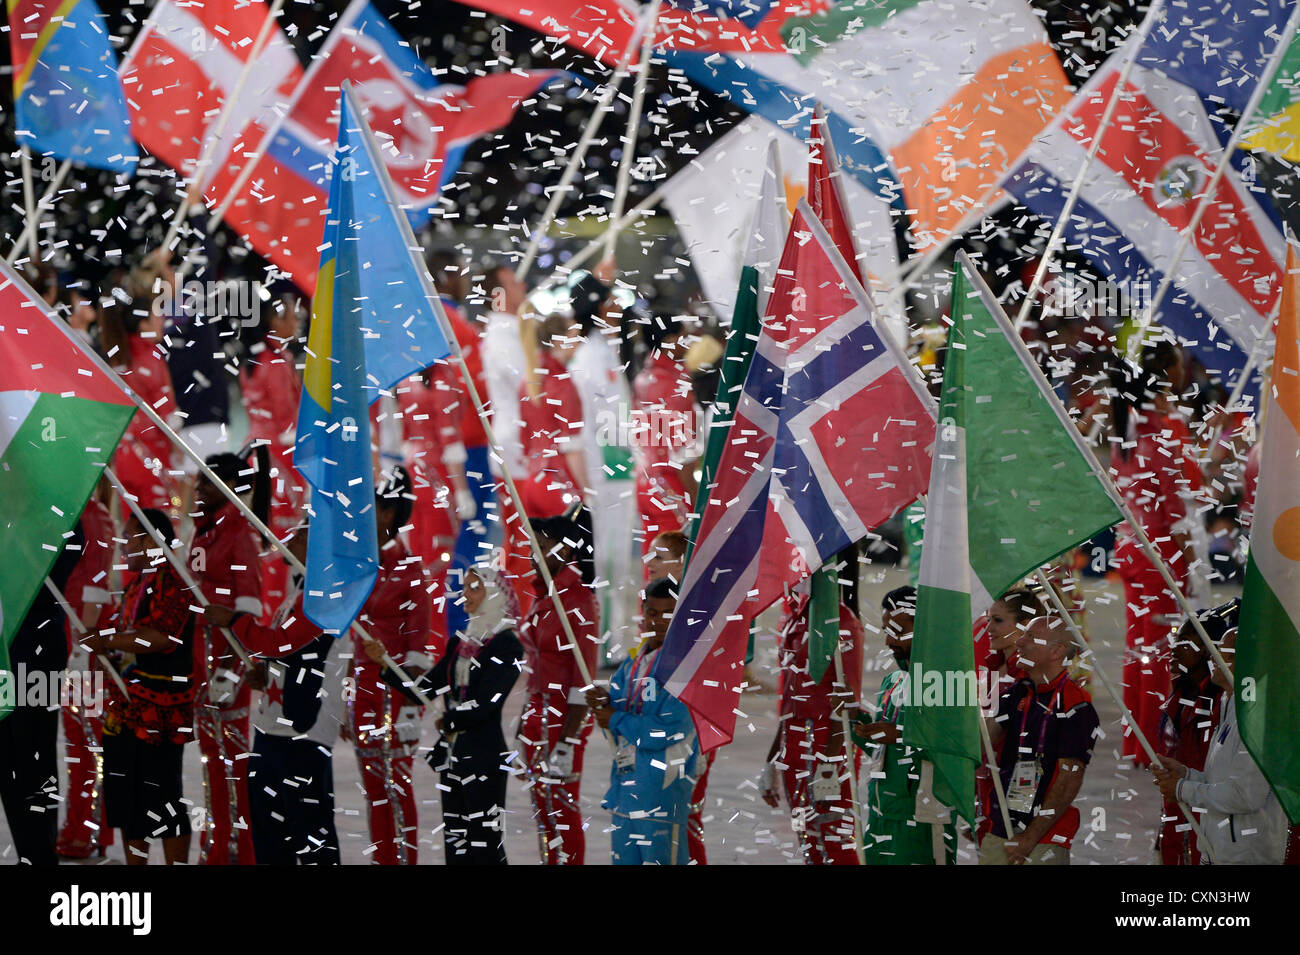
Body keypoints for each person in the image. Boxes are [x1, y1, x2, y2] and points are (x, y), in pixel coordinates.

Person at [364, 564, 525, 864]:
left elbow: (487, 702)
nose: (465, 594)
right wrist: (386, 664)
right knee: (457, 841)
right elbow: (425, 688)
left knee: (485, 843)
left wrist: (450, 720)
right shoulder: (462, 641)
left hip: (483, 756)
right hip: (452, 755)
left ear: (493, 594)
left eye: (475, 588)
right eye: (465, 587)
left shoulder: (508, 645)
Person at [206, 527, 348, 865]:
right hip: (272, 727)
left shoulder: (325, 597)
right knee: (270, 832)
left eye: (301, 535)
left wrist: (234, 620)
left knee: (310, 832)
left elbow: (280, 642)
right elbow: (288, 654)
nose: (289, 538)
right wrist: (267, 673)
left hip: (304, 734)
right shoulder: (299, 590)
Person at [84, 509, 196, 865]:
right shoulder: (137, 583)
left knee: (162, 799)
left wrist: (110, 642)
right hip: (127, 708)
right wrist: (104, 644)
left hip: (160, 713)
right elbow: (128, 636)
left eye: (129, 538)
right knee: (130, 799)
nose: (123, 547)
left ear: (150, 540)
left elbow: (160, 640)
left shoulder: (174, 581)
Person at [1110, 339, 1203, 764]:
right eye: (1179, 365)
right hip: (1162, 553)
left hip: (1132, 550)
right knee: (1162, 652)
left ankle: (1137, 743)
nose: (1185, 371)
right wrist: (1194, 563)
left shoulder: (1126, 426)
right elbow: (1177, 509)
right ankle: (1156, 745)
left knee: (1138, 649)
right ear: (1167, 372)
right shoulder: (1166, 429)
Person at [1151, 621, 1289, 864]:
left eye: (1222, 653)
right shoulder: (1231, 705)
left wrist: (1183, 789)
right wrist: (1186, 774)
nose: (1212, 658)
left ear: (1245, 662)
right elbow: (1222, 781)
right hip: (1218, 851)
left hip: (1246, 857)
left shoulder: (1260, 719)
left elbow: (1245, 795)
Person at [189, 449, 269, 865]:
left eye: (206, 482)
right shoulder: (202, 532)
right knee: (210, 771)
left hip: (227, 676)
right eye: (199, 481)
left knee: (233, 771)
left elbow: (251, 612)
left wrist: (231, 676)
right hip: (201, 671)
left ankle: (240, 853)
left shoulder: (240, 534)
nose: (197, 489)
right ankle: (215, 848)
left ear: (228, 488)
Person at [350, 467, 433, 865]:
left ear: (389, 513)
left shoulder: (410, 571)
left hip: (396, 691)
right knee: (373, 788)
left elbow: (420, 643)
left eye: (376, 507)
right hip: (364, 688)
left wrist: (413, 706)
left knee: (398, 787)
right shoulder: (357, 563)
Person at [586, 577, 698, 864]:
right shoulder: (635, 662)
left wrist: (615, 717)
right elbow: (621, 703)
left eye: (668, 614)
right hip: (626, 792)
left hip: (660, 798)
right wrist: (603, 701)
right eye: (652, 612)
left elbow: (662, 733)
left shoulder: (685, 671)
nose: (658, 621)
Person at [515, 504, 600, 864]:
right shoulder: (544, 595)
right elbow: (535, 669)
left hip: (564, 719)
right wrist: (523, 721)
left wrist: (566, 742)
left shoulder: (578, 601)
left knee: (563, 812)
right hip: (538, 715)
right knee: (543, 811)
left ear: (564, 551)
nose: (532, 555)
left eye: (540, 546)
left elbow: (585, 680)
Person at [761, 579, 864, 865]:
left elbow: (850, 700)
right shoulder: (793, 618)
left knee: (834, 837)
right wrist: (773, 756)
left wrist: (831, 760)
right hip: (794, 741)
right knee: (806, 836)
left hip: (827, 741)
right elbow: (790, 695)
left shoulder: (842, 620)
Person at [982, 616, 1100, 865]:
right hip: (1002, 824)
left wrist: (1029, 838)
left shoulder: (1076, 705)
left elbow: (1069, 781)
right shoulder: (1019, 691)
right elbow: (982, 742)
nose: (1020, 642)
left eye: (1031, 637)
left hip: (1044, 837)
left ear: (1056, 651)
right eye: (1022, 634)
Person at [853, 586, 957, 864]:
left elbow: (957, 749)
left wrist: (899, 735)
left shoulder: (948, 682)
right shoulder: (893, 682)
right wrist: (856, 720)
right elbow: (881, 751)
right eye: (887, 630)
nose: (889, 641)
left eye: (899, 631)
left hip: (923, 820)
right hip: (881, 816)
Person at [0, 522, 82, 865]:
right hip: (5, 651)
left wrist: (25, 542)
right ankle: (27, 850)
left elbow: (71, 553)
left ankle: (41, 851)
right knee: (7, 753)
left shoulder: (57, 517)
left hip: (38, 649)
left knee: (35, 752)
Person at [568, 267, 639, 660]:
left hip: (617, 473)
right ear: (595, 306)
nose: (617, 307)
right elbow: (596, 425)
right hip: (605, 477)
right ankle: (605, 645)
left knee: (616, 563)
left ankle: (611, 641)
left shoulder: (605, 351)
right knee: (607, 562)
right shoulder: (588, 359)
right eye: (609, 299)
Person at [56, 484, 117, 859]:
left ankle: (90, 831)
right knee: (76, 743)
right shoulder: (79, 513)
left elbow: (95, 586)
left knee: (88, 743)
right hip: (73, 636)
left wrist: (81, 649)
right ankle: (79, 826)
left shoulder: (93, 516)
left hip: (84, 640)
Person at [239, 293, 304, 618]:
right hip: (277, 462)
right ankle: (271, 619)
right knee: (279, 541)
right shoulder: (277, 363)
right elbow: (287, 422)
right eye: (292, 315)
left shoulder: (256, 359)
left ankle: (259, 613)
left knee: (262, 538)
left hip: (256, 456)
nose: (298, 320)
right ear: (274, 321)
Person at [1154, 602, 1234, 865]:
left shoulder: (1225, 704)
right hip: (1177, 816)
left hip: (1210, 824)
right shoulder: (1179, 697)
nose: (1174, 649)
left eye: (1186, 642)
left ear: (1211, 651)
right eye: (1176, 639)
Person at [100, 289, 177, 511]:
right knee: (162, 528)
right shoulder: (150, 355)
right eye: (156, 315)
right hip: (152, 453)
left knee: (133, 531)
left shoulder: (118, 355)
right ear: (143, 325)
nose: (162, 319)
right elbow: (167, 410)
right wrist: (178, 449)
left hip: (124, 455)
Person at [632, 314, 700, 562]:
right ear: (671, 340)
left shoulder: (643, 378)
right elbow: (681, 451)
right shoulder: (676, 383)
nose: (689, 341)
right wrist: (696, 496)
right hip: (671, 487)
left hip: (645, 484)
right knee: (675, 568)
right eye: (684, 335)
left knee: (651, 566)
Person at [517, 312, 587, 518]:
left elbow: (524, 437)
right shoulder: (563, 384)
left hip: (532, 481)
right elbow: (571, 445)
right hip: (560, 482)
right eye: (575, 335)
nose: (579, 342)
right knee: (573, 548)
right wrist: (586, 491)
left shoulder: (528, 382)